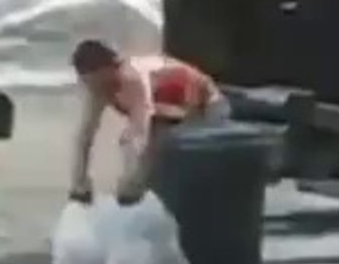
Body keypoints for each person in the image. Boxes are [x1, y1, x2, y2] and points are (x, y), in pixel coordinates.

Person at [68, 39, 230, 206]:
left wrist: (131, 185)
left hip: (206, 104)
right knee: (148, 153)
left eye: (93, 81)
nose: (91, 88)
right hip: (169, 111)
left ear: (107, 70)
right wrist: (79, 184)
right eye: (85, 82)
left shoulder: (132, 77)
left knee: (150, 150)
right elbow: (84, 136)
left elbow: (140, 132)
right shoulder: (97, 89)